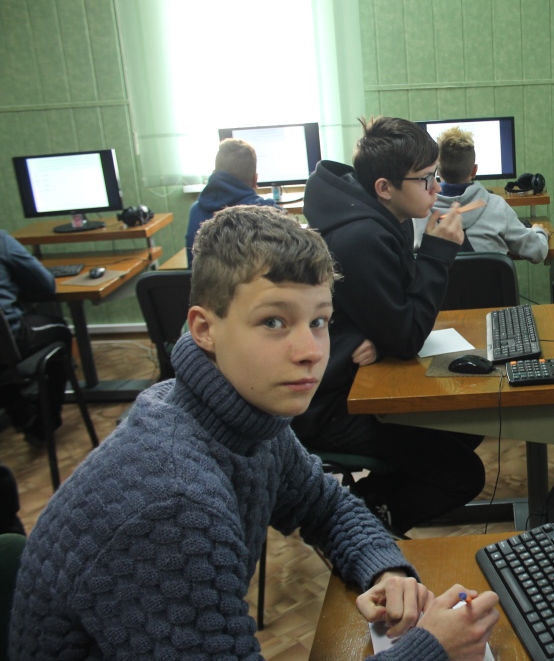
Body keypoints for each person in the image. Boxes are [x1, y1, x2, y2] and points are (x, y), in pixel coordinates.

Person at [7, 206, 500, 659]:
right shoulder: (173, 503)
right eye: (273, 321)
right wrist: (432, 649)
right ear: (204, 328)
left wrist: (383, 567)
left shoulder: (241, 416)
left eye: (320, 321)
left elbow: (326, 505)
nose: (311, 351)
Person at [293, 117, 486, 535]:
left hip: (353, 381)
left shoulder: (377, 214)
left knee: (468, 425)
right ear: (384, 187)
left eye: (435, 175)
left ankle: (363, 506)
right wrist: (437, 253)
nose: (436, 188)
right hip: (329, 407)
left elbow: (395, 315)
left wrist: (383, 340)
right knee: (464, 474)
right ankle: (354, 527)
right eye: (425, 179)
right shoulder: (361, 236)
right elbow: (407, 335)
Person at [413, 126, 549, 263]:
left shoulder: (418, 213)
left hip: (434, 277)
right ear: (474, 170)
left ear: (436, 170)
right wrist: (539, 231)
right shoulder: (497, 206)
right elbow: (537, 251)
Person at [0, 230, 72, 447]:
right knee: (60, 331)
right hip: (9, 339)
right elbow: (45, 285)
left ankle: (17, 407)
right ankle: (43, 424)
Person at [184, 138, 279, 266]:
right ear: (255, 179)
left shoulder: (195, 210)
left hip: (204, 279)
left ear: (213, 174)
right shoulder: (269, 211)